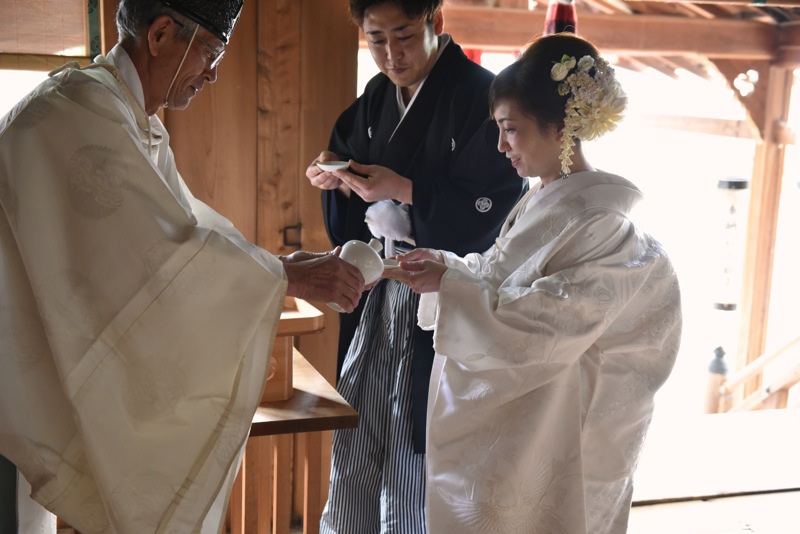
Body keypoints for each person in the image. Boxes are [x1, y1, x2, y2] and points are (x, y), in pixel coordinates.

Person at [0, 1, 366, 532]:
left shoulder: (132, 117)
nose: (213, 75)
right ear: (162, 34)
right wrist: (284, 275)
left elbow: (190, 236)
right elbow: (162, 260)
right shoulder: (76, 111)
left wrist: (277, 267)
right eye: (210, 54)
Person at [383, 33, 683, 533]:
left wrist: (454, 289)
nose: (501, 146)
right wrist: (445, 268)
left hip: (565, 419)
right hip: (530, 411)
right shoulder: (542, 200)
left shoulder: (603, 225)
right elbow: (501, 276)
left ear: (561, 128)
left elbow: (550, 320)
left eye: (511, 130)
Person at [304, 0, 527, 531]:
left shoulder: (481, 95)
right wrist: (336, 182)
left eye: (403, 36)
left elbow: (496, 201)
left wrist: (402, 190)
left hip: (442, 292)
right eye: (376, 38)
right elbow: (349, 200)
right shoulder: (377, 98)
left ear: (436, 23)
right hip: (379, 291)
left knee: (418, 432)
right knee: (360, 422)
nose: (391, 53)